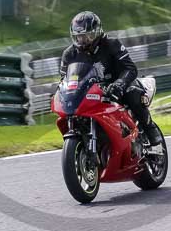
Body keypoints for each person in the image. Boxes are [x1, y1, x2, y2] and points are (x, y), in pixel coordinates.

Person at [59, 10, 163, 145]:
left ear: (96, 32)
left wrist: (119, 84)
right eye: (79, 37)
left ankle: (150, 128)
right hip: (90, 92)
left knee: (132, 93)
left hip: (117, 85)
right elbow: (64, 78)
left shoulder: (112, 44)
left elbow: (130, 68)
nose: (83, 40)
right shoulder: (69, 54)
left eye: (87, 36)